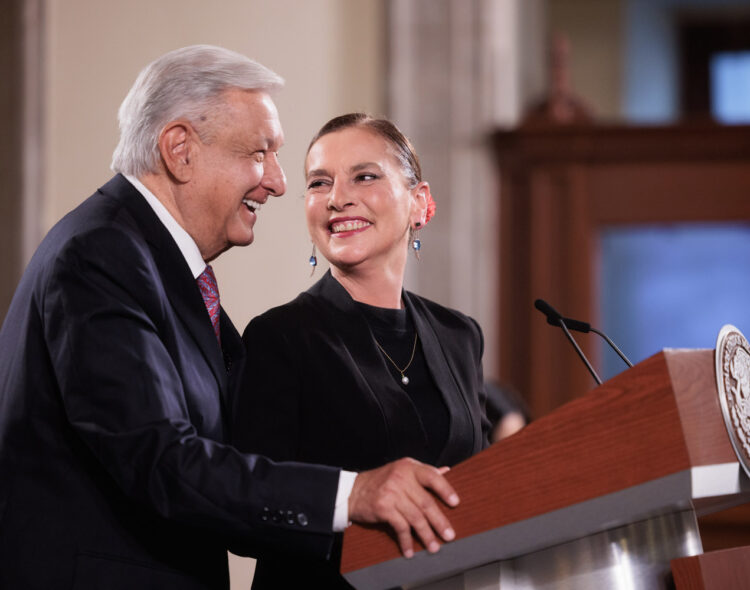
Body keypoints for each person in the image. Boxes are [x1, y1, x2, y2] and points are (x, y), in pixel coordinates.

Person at [0, 47, 460, 590]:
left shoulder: (155, 266)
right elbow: (159, 458)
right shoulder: (102, 254)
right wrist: (353, 495)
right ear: (180, 150)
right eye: (260, 152)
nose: (277, 182)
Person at [233, 113, 491, 588]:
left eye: (364, 176)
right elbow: (247, 514)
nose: (336, 198)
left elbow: (486, 484)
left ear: (420, 202)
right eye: (319, 183)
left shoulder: (461, 336)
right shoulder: (279, 337)